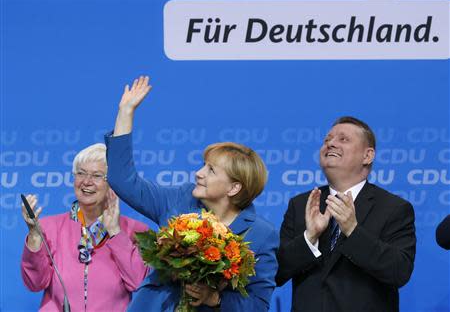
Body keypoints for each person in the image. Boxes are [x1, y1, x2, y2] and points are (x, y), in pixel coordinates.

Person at [104, 76, 278, 311]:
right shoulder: (179, 199)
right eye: (203, 165)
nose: (198, 173)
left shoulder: (261, 234)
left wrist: (215, 299)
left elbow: (258, 305)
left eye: (211, 170)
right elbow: (123, 181)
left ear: (234, 188)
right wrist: (126, 112)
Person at [276, 116, 416, 312]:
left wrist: (353, 230)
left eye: (343, 139)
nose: (330, 144)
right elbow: (277, 272)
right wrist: (309, 238)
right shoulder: (302, 204)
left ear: (367, 156)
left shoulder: (393, 208)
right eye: (327, 140)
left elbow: (398, 272)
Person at [21, 143, 149, 312]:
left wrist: (116, 233)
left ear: (113, 184)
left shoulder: (135, 230)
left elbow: (138, 283)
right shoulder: (49, 227)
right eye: (80, 173)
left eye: (97, 176)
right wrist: (35, 235)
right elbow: (35, 283)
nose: (86, 182)